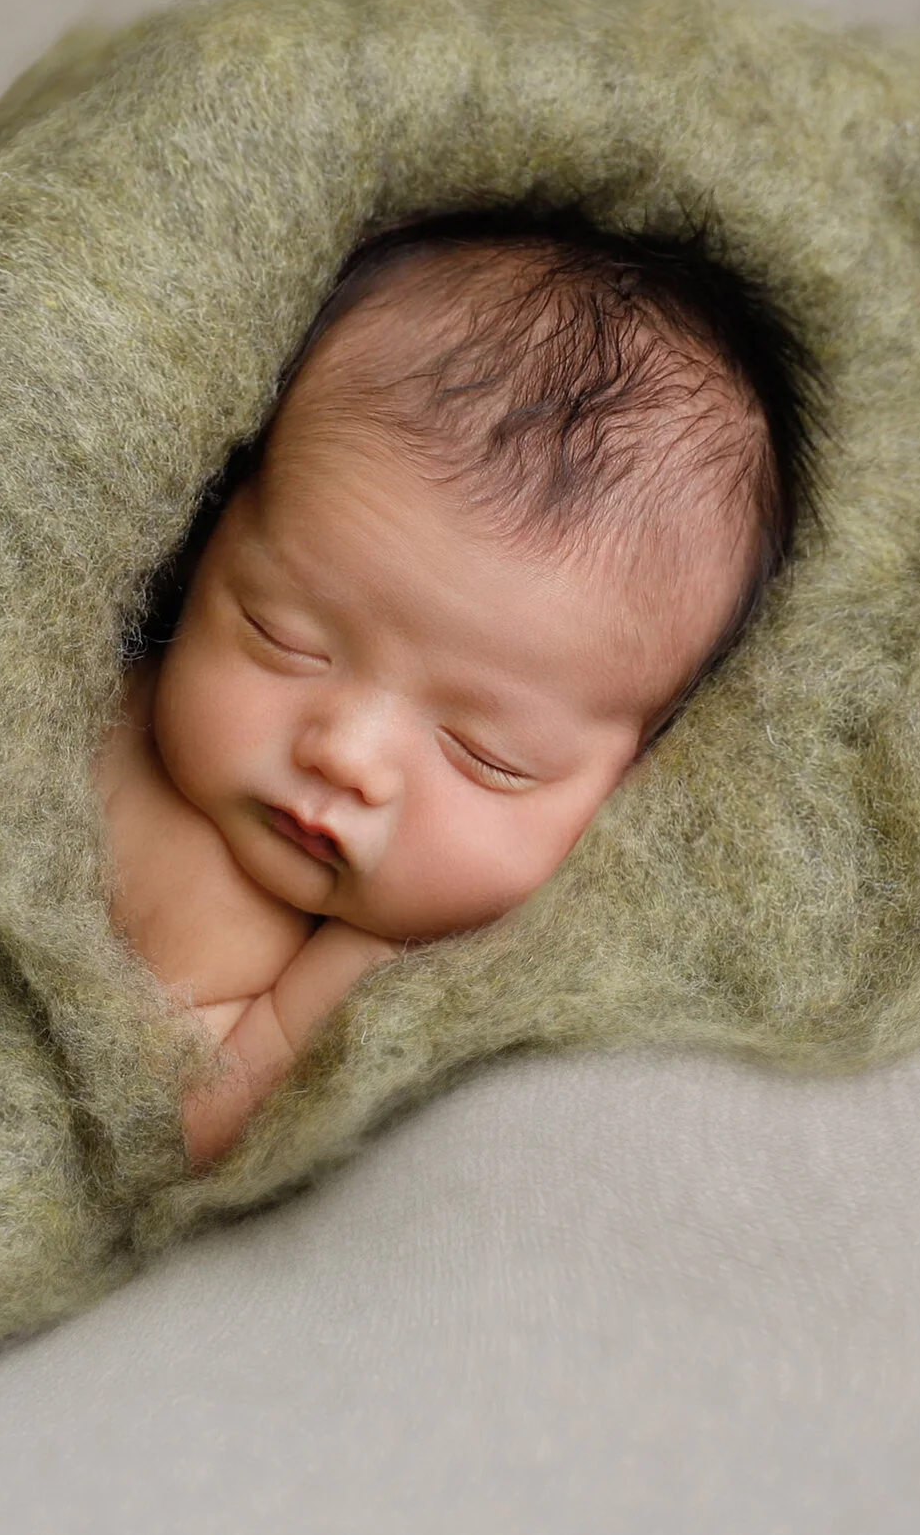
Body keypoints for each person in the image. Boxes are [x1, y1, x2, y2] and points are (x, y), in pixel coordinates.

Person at [97, 211, 812, 1165]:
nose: (346, 756)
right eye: (282, 639)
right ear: (206, 540)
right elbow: (175, 1136)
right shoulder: (106, 746)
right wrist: (362, 964)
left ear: (641, 777)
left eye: (487, 755)